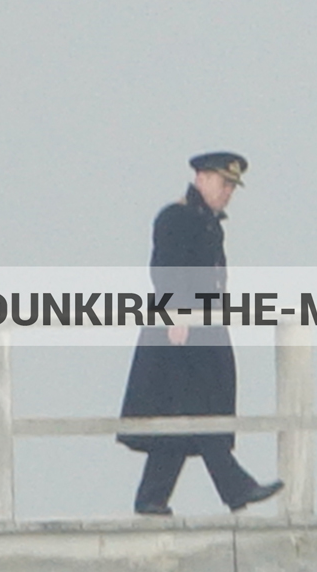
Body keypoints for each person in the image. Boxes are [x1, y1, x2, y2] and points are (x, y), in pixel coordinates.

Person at [119, 152, 284, 516]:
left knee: (182, 417)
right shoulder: (176, 217)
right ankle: (235, 488)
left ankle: (152, 497)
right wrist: (175, 310)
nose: (228, 193)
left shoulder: (208, 223)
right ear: (202, 178)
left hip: (203, 330)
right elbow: (165, 268)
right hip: (180, 333)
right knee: (197, 410)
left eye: (231, 187)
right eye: (223, 184)